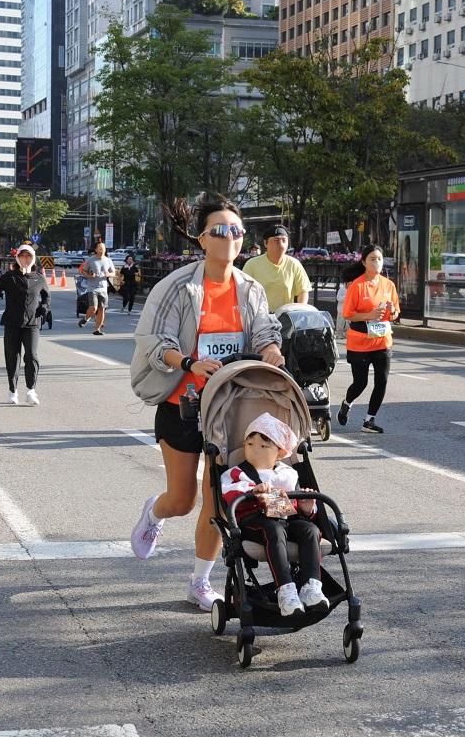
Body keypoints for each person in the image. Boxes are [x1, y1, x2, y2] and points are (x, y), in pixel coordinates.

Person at [128, 192, 285, 611]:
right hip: (184, 405)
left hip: (230, 409)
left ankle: (200, 582)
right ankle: (154, 513)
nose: (229, 238)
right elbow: (153, 342)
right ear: (202, 239)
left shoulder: (250, 288)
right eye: (219, 231)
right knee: (183, 501)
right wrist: (189, 363)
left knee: (218, 500)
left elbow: (264, 331)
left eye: (236, 231)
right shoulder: (177, 287)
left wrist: (271, 350)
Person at [220, 412, 328, 616]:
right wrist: (253, 492)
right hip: (254, 521)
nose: (254, 450)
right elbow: (229, 494)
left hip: (286, 520)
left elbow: (296, 507)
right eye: (249, 444)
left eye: (263, 446)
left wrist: (307, 507)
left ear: (279, 452)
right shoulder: (237, 472)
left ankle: (311, 586)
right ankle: (285, 589)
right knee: (274, 529)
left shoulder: (288, 474)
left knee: (310, 529)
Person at [336, 244, 400, 434]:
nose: (377, 262)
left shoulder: (389, 285)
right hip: (360, 341)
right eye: (372, 259)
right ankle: (347, 403)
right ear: (364, 262)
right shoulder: (356, 285)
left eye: (379, 259)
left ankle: (369, 420)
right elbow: (348, 314)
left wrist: (392, 311)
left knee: (382, 381)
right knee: (360, 383)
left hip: (382, 340)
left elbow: (396, 312)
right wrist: (369, 314)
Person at [0, 244, 50, 405]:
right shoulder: (10, 277)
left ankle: (31, 390)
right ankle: (12, 391)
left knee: (32, 356)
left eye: (28, 256)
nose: (25, 259)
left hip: (32, 323)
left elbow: (47, 297)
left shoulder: (39, 278)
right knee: (12, 357)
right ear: (17, 258)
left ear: (33, 258)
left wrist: (44, 307)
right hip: (12, 323)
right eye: (22, 256)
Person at [241, 224, 313, 313]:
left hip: (285, 318)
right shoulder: (252, 264)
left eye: (284, 240)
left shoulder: (294, 264)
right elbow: (242, 292)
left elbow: (303, 291)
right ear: (265, 243)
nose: (281, 244)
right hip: (259, 318)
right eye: (276, 240)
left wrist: (300, 312)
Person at [78, 241, 116, 335]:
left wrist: (109, 274)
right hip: (92, 288)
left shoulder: (108, 260)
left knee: (102, 309)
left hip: (103, 288)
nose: (102, 250)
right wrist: (89, 276)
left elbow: (114, 273)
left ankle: (97, 329)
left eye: (103, 248)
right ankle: (86, 319)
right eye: (100, 248)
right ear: (96, 250)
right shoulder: (91, 260)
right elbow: (83, 271)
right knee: (93, 308)